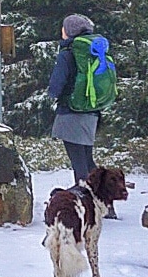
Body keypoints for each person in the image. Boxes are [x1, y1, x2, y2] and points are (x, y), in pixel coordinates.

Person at [48, 13, 116, 216]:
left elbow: (56, 86)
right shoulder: (93, 51)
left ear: (68, 31)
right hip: (92, 111)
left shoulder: (68, 53)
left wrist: (53, 94)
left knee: (79, 163)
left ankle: (90, 207)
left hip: (72, 112)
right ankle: (106, 203)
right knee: (87, 160)